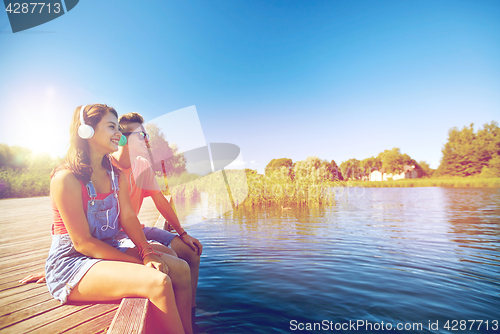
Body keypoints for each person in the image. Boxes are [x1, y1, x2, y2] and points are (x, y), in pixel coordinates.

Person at [21, 112, 207, 325]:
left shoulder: (115, 175)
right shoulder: (66, 178)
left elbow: (128, 217)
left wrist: (148, 252)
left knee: (180, 268)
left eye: (118, 129)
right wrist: (140, 260)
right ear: (86, 131)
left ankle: (190, 325)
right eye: (112, 127)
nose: (118, 134)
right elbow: (81, 243)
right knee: (159, 281)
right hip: (73, 259)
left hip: (108, 244)